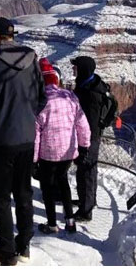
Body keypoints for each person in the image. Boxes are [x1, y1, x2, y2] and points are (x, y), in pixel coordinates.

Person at [0, 16, 46, 266]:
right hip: (27, 139)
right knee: (24, 193)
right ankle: (24, 245)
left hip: (1, 143)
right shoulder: (32, 61)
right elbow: (41, 99)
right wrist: (25, 119)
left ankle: (7, 251)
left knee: (1, 198)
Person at [34, 60, 90, 235]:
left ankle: (52, 224)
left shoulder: (39, 100)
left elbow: (35, 134)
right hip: (68, 151)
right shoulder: (69, 96)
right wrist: (84, 146)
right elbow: (82, 123)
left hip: (47, 154)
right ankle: (70, 222)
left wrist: (33, 159)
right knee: (63, 182)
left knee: (48, 188)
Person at [71, 56, 118, 221]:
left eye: (76, 67)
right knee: (87, 171)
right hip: (89, 136)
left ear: (83, 70)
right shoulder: (89, 84)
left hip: (89, 138)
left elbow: (88, 123)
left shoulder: (91, 94)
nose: (73, 70)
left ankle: (86, 211)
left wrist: (83, 145)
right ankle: (87, 201)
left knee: (86, 171)